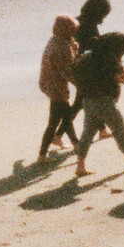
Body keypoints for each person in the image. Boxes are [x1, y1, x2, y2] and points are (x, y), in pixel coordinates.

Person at [74, 32, 124, 178]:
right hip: (104, 102)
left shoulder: (88, 56)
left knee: (87, 134)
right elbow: (122, 79)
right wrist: (122, 69)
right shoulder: (110, 59)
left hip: (88, 101)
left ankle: (80, 166)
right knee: (119, 129)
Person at [37, 15, 80, 160]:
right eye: (72, 30)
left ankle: (76, 144)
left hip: (46, 82)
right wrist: (81, 84)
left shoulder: (54, 40)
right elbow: (67, 71)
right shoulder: (62, 47)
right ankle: (42, 155)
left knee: (67, 115)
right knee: (54, 122)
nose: (74, 33)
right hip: (56, 87)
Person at [68, 0, 112, 129]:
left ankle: (102, 129)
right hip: (83, 68)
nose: (104, 18)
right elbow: (94, 46)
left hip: (74, 65)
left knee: (88, 98)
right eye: (104, 14)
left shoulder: (77, 21)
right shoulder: (89, 26)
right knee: (82, 101)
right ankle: (58, 134)